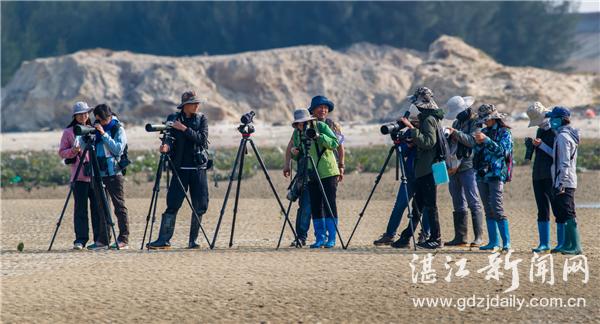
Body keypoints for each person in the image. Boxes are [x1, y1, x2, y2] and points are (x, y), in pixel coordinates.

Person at [148, 91, 210, 250]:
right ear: (185, 106)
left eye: (198, 103)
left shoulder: (202, 119)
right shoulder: (173, 119)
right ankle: (163, 240)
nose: (197, 105)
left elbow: (202, 139)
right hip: (180, 168)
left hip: (198, 168)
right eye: (193, 103)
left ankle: (193, 241)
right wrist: (165, 146)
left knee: (200, 205)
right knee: (173, 203)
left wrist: (183, 129)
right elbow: (169, 138)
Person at [283, 95, 345, 246]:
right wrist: (293, 155)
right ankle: (318, 238)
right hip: (309, 172)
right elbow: (294, 150)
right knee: (314, 205)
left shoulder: (327, 125)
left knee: (329, 204)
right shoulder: (298, 133)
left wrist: (319, 137)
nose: (323, 110)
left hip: (327, 170)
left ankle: (331, 238)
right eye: (299, 124)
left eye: (325, 107)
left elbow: (337, 144)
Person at [399, 87, 445, 249]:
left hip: (428, 169)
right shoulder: (431, 118)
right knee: (418, 205)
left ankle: (436, 238)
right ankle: (405, 237)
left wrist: (412, 130)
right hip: (427, 167)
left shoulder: (428, 120)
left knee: (430, 205)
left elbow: (428, 142)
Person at [534, 106, 582, 255]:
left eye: (554, 118)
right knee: (564, 212)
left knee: (568, 212)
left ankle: (575, 245)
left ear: (561, 119)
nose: (551, 120)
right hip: (565, 178)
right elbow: (557, 156)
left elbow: (563, 162)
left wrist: (560, 182)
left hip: (564, 180)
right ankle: (568, 244)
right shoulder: (566, 134)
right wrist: (541, 145)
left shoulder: (562, 137)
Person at [373, 105, 421, 247]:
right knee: (399, 205)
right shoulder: (407, 133)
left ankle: (426, 235)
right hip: (409, 175)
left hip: (424, 175)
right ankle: (389, 235)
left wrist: (415, 139)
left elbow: (428, 145)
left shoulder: (426, 131)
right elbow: (401, 151)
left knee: (423, 207)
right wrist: (406, 144)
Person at [58, 102, 100, 250]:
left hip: (95, 175)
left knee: (97, 209)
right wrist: (74, 151)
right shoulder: (69, 132)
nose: (84, 116)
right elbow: (62, 152)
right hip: (79, 175)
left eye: (86, 113)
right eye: (81, 114)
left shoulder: (94, 129)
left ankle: (99, 240)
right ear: (75, 116)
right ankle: (81, 239)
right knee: (80, 209)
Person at [87, 104, 130, 250]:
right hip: (98, 172)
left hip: (114, 172)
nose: (103, 123)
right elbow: (84, 145)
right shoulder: (95, 130)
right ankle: (103, 239)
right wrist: (88, 134)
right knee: (101, 207)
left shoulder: (117, 128)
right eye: (100, 120)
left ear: (110, 116)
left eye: (104, 120)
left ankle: (123, 238)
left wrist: (104, 134)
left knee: (119, 206)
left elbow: (118, 149)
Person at [443, 96, 484, 247]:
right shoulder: (456, 123)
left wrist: (455, 133)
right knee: (457, 201)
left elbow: (472, 141)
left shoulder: (476, 123)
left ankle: (478, 237)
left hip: (468, 166)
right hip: (454, 167)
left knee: (473, 201)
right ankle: (460, 237)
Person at [472, 104, 513, 252]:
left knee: (497, 207)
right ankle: (493, 242)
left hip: (496, 174)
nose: (484, 122)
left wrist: (487, 141)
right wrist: (476, 143)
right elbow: (476, 153)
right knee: (488, 209)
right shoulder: (483, 131)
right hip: (482, 174)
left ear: (494, 118)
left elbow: (503, 152)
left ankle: (506, 242)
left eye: (486, 119)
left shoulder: (504, 133)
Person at [526, 102, 558, 253]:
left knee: (558, 208)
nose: (539, 125)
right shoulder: (540, 131)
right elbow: (540, 152)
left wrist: (542, 145)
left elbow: (557, 154)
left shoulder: (555, 131)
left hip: (551, 174)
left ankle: (561, 243)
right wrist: (532, 146)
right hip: (538, 173)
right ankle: (544, 243)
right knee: (542, 209)